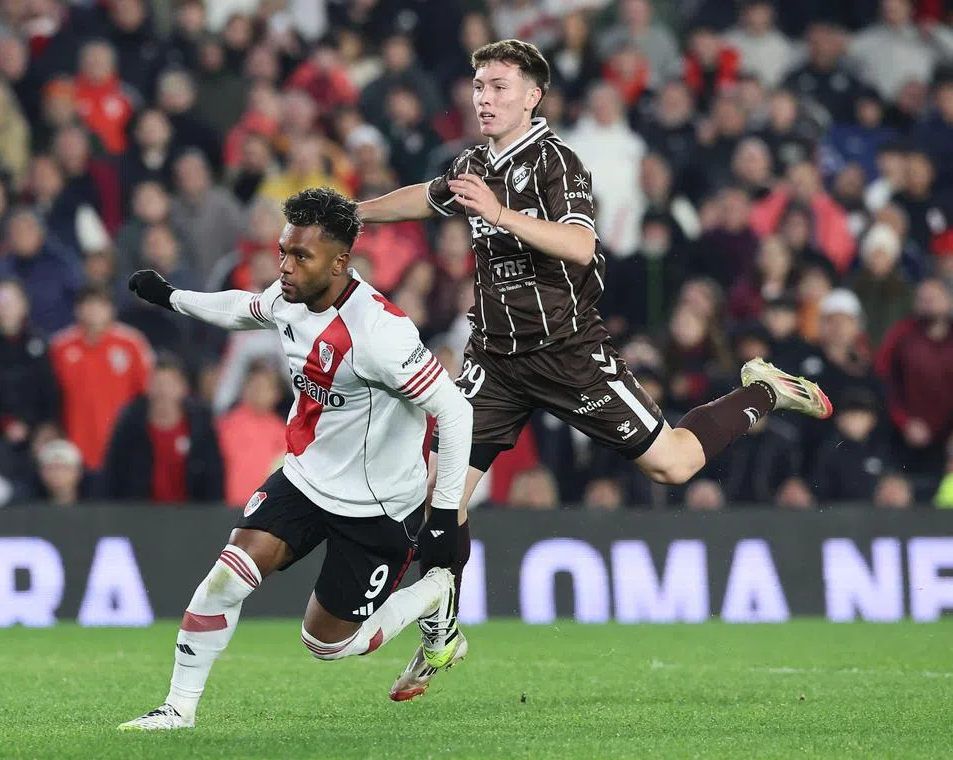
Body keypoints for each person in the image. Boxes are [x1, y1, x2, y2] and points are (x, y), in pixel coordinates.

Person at [356, 38, 834, 700]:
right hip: (496, 360)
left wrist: (499, 214)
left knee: (673, 463)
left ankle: (762, 391)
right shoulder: (472, 161)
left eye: (498, 86)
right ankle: (442, 638)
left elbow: (582, 244)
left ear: (532, 96)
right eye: (478, 85)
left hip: (567, 357)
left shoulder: (558, 163)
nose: (484, 97)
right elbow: (427, 198)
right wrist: (355, 214)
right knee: (439, 492)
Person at [117, 188, 474, 730]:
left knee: (327, 644)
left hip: (376, 506)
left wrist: (443, 515)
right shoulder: (290, 298)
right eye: (283, 250)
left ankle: (433, 592)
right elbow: (243, 309)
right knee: (225, 578)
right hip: (305, 479)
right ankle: (178, 709)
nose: (283, 265)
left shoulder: (380, 334)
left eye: (299, 256)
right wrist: (172, 298)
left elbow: (454, 411)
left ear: (339, 262)